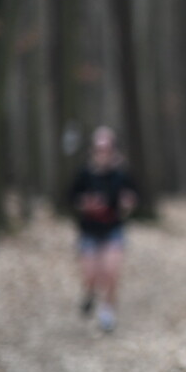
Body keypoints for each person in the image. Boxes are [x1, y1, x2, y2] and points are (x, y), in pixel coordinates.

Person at [67, 126, 138, 333]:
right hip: (89, 231)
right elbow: (70, 198)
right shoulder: (83, 174)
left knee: (111, 273)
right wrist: (85, 204)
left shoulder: (121, 175)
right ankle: (89, 294)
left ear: (114, 150)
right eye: (99, 148)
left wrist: (128, 203)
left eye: (107, 148)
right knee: (91, 276)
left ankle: (107, 311)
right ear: (93, 150)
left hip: (113, 230)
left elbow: (132, 196)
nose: (103, 152)